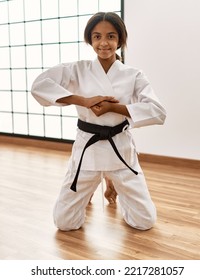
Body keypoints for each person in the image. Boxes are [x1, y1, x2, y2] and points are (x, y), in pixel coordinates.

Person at [31, 12, 166, 231]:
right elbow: (39, 86)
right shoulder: (77, 69)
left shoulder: (133, 74)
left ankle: (113, 182)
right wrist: (83, 100)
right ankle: (96, 183)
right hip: (88, 149)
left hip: (120, 151)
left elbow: (158, 111)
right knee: (65, 223)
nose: (104, 43)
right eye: (97, 37)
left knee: (144, 221)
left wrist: (114, 107)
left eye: (111, 36)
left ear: (120, 40)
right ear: (90, 40)